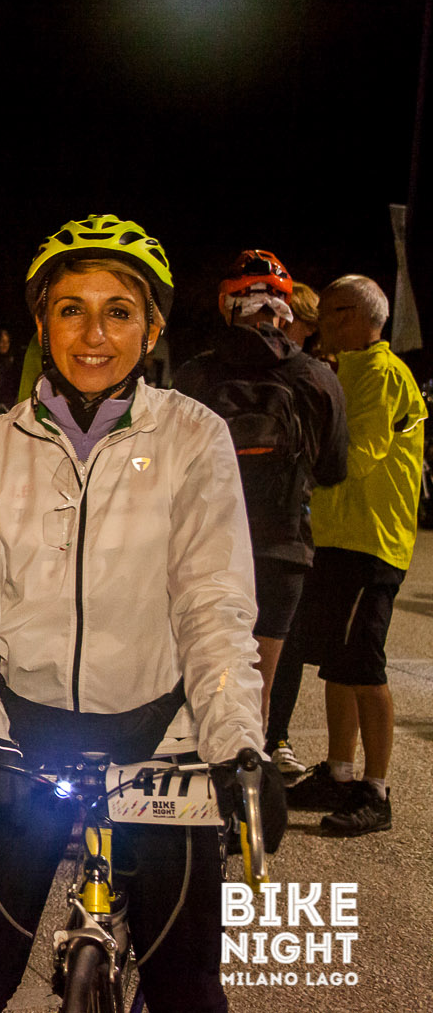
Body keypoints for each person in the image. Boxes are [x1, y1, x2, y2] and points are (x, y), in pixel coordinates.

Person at [0, 214, 285, 1013]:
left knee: (189, 987)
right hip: (25, 743)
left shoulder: (194, 437)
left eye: (118, 311)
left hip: (163, 740)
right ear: (42, 325)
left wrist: (236, 744)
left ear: (152, 327)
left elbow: (214, 603)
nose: (94, 334)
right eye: (71, 309)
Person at [172, 250, 348, 774]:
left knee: (191, 673)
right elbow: (334, 468)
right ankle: (245, 794)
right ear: (284, 309)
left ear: (227, 305)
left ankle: (186, 791)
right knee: (258, 686)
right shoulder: (317, 377)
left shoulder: (194, 375)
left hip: (206, 548)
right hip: (280, 550)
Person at [282, 275, 424, 836]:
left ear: (370, 320)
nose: (326, 321)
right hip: (338, 539)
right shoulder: (347, 370)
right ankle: (339, 774)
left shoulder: (383, 375)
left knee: (364, 664)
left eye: (339, 311)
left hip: (372, 542)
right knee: (338, 665)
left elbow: (358, 455)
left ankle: (376, 790)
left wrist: (292, 473)